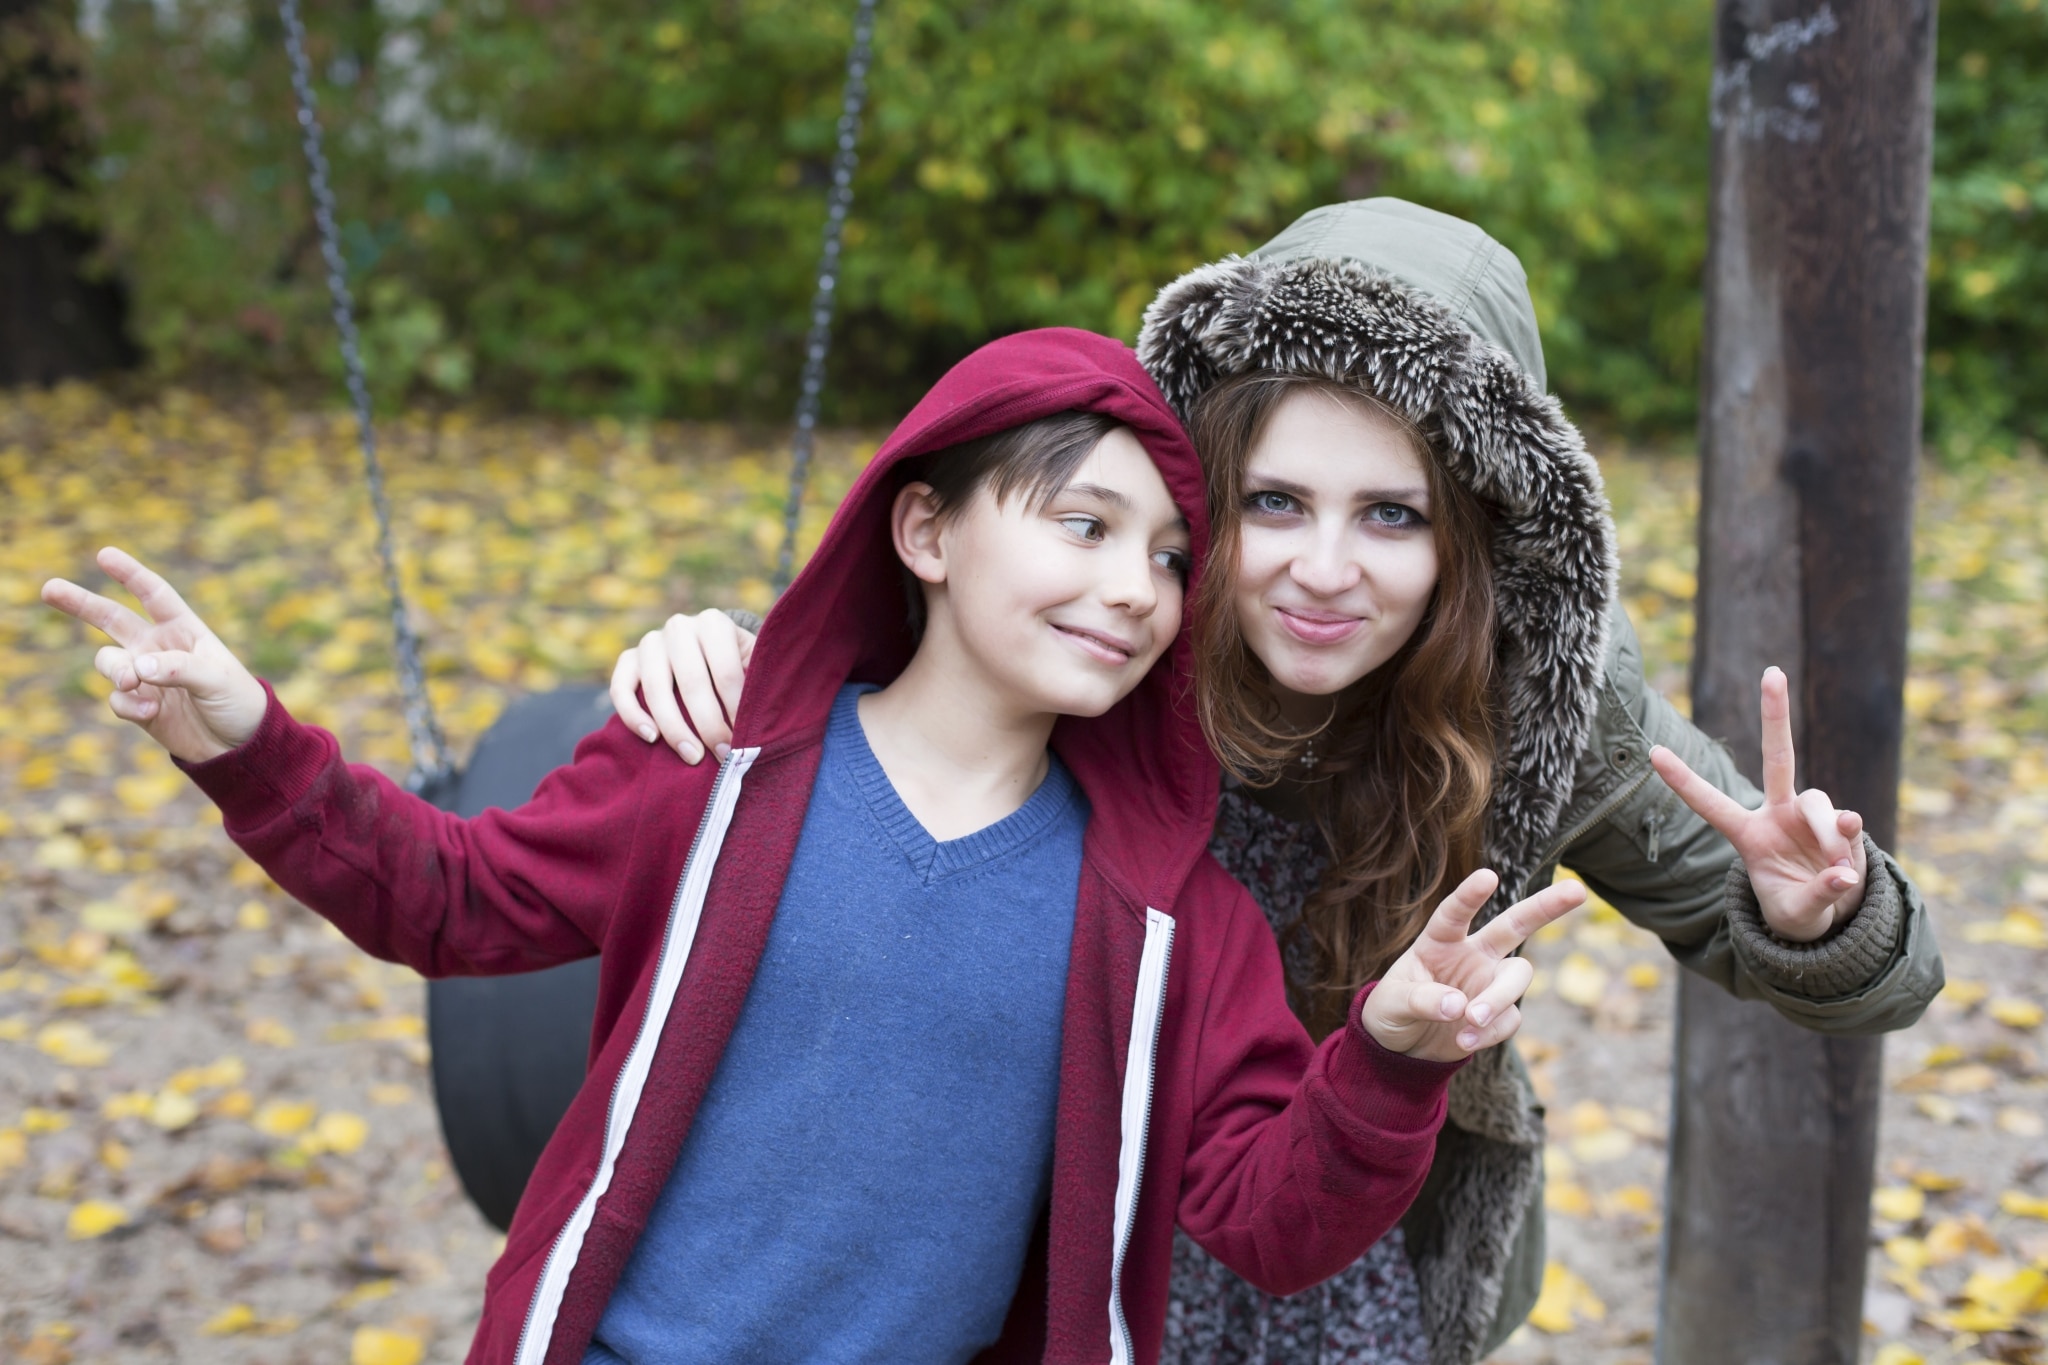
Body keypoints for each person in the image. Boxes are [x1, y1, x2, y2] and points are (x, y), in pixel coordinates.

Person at [41, 328, 1588, 1365]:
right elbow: (451, 898)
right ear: (924, 531)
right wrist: (246, 737)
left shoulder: (1165, 912)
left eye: (1173, 556)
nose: (1136, 587)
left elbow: (1268, 1216)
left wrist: (1386, 1060)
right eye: (1082, 524)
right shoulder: (713, 769)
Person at [607, 202, 1945, 1365]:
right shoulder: (1102, 630)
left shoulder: (1537, 706)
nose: (1322, 569)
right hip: (1056, 1207)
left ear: (1471, 538)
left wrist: (1819, 913)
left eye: (1392, 515)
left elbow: (1872, 964)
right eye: (1277, 503)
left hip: (1349, 1242)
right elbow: (886, 676)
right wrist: (729, 658)